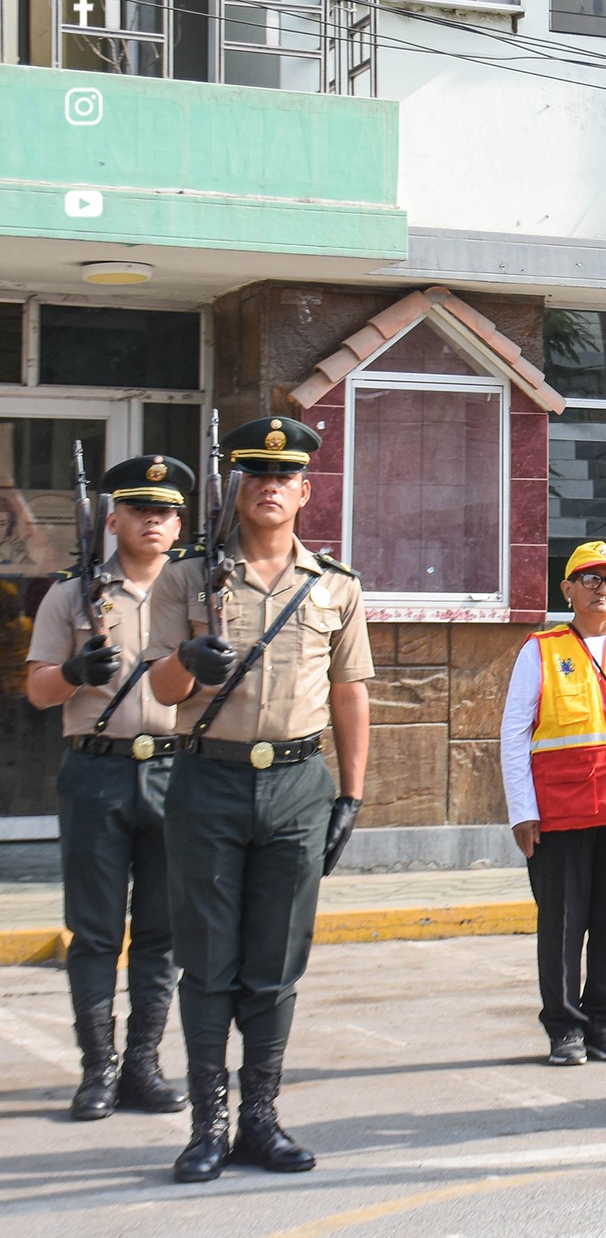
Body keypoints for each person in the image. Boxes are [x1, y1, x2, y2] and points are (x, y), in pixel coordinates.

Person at [145, 416, 371, 1183]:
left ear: (306, 491)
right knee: (208, 960)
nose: (270, 487)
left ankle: (260, 1118)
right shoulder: (185, 577)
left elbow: (349, 693)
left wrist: (350, 795)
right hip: (208, 777)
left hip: (299, 785)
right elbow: (160, 687)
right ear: (237, 487)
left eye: (285, 477)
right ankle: (207, 1124)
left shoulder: (335, 585)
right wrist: (187, 658)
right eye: (256, 475)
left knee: (276, 961)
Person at [24, 454, 195, 1121]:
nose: (152, 520)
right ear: (114, 517)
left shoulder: (199, 592)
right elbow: (38, 690)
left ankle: (144, 1065)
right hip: (96, 769)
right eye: (139, 509)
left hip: (174, 769)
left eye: (164, 510)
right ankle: (98, 1069)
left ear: (180, 522)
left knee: (161, 931)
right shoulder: (73, 592)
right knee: (94, 932)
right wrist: (71, 670)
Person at [499, 541, 606, 1067]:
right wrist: (522, 810)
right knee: (562, 923)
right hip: (559, 811)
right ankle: (564, 1028)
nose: (604, 589)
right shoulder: (539, 650)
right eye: (592, 579)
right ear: (566, 589)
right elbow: (514, 734)